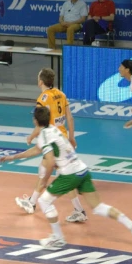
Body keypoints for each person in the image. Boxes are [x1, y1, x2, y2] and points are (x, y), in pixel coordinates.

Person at [0, 106, 132, 248]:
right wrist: (13, 157)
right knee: (98, 207)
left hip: (69, 174)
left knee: (44, 201)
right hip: (82, 170)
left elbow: (49, 161)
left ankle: (58, 238)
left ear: (35, 121)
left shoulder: (44, 135)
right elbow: (37, 149)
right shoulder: (54, 130)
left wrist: (44, 180)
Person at [14, 68, 86, 224]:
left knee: (50, 173)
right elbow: (70, 118)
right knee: (58, 174)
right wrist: (72, 138)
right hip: (63, 138)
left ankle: (33, 203)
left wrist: (31, 136)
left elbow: (42, 123)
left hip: (52, 141)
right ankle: (33, 202)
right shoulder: (61, 94)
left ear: (41, 81)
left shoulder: (43, 98)